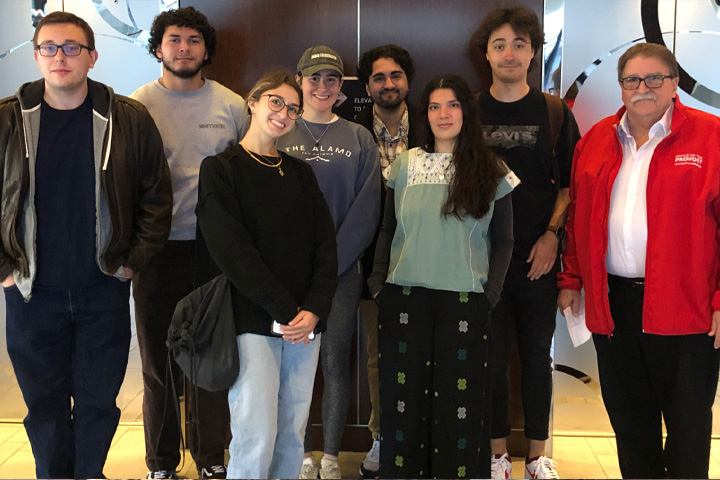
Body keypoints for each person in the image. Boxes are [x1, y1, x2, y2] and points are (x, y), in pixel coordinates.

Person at [0, 11, 172, 479]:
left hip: (103, 289)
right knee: (43, 406)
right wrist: (5, 270)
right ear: (36, 56)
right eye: (50, 47)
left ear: (92, 57)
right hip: (32, 293)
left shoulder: (128, 118)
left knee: (99, 403)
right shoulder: (7, 120)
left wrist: (132, 264)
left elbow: (157, 197)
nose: (61, 57)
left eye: (72, 47)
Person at [558, 43, 720, 479]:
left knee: (688, 428)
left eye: (654, 79)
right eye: (632, 79)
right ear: (621, 86)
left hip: (687, 310)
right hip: (615, 308)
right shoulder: (595, 142)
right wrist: (571, 278)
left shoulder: (711, 136)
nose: (643, 88)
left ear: (674, 83)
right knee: (631, 426)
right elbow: (578, 218)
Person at [368, 73, 517, 479]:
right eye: (434, 106)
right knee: (404, 401)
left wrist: (490, 293)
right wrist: (378, 283)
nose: (443, 114)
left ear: (466, 113)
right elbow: (386, 228)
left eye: (452, 105)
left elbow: (504, 240)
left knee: (460, 407)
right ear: (426, 114)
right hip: (403, 298)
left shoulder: (492, 169)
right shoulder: (405, 163)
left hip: (465, 303)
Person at [196, 69, 338, 479]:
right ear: (253, 102)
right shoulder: (221, 169)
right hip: (253, 319)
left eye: (292, 108)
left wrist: (312, 308)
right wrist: (286, 309)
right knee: (256, 430)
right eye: (275, 102)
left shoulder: (299, 172)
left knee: (292, 430)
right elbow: (232, 252)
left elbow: (324, 246)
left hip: (305, 323)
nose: (284, 113)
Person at [130, 7, 248, 479]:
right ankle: (161, 463)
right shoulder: (136, 106)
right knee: (159, 365)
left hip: (214, 251)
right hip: (155, 250)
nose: (183, 48)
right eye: (174, 39)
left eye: (194, 40)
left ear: (206, 50)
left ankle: (212, 458)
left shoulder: (233, 105)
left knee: (211, 360)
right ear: (159, 48)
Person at [472, 6, 580, 479]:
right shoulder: (469, 110)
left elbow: (569, 185)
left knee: (537, 358)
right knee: (489, 358)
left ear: (534, 53)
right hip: (481, 260)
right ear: (486, 55)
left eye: (519, 44)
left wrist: (552, 237)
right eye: (499, 45)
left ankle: (538, 456)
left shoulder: (555, 112)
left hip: (539, 258)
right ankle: (497, 456)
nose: (509, 53)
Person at [276, 45, 380, 480]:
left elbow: (367, 208)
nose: (322, 86)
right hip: (286, 274)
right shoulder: (279, 131)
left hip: (341, 273)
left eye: (331, 79)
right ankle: (300, 457)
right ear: (299, 80)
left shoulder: (358, 137)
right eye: (313, 77)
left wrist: (330, 263)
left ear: (341, 88)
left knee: (335, 364)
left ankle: (332, 458)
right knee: (291, 369)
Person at [353, 44, 418, 478]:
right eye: (379, 77)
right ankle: (383, 435)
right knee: (379, 355)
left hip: (425, 257)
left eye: (396, 75)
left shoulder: (433, 129)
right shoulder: (351, 132)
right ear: (368, 86)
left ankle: (422, 437)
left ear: (407, 80)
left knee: (424, 353)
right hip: (367, 262)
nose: (388, 84)